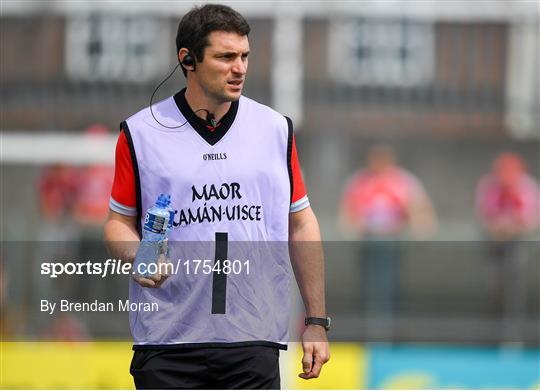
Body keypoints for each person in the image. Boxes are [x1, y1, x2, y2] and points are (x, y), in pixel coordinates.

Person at [103, 4, 329, 389]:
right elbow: (118, 223)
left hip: (252, 340)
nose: (239, 68)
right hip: (166, 342)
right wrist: (138, 255)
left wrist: (316, 321)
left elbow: (301, 221)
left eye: (244, 56)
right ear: (188, 59)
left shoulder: (275, 129)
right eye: (225, 57)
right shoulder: (141, 133)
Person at [339, 145, 436, 334]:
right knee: (369, 290)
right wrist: (355, 229)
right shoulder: (360, 182)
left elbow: (422, 213)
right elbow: (347, 215)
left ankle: (392, 333)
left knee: (392, 290)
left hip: (394, 246)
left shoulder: (404, 181)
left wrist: (416, 226)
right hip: (368, 245)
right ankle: (368, 332)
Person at [475, 152, 539, 343]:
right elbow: (482, 214)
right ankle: (492, 334)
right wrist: (496, 229)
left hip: (518, 245)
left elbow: (532, 218)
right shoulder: (488, 186)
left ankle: (514, 337)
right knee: (494, 287)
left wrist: (513, 229)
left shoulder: (527, 187)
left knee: (516, 290)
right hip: (494, 246)